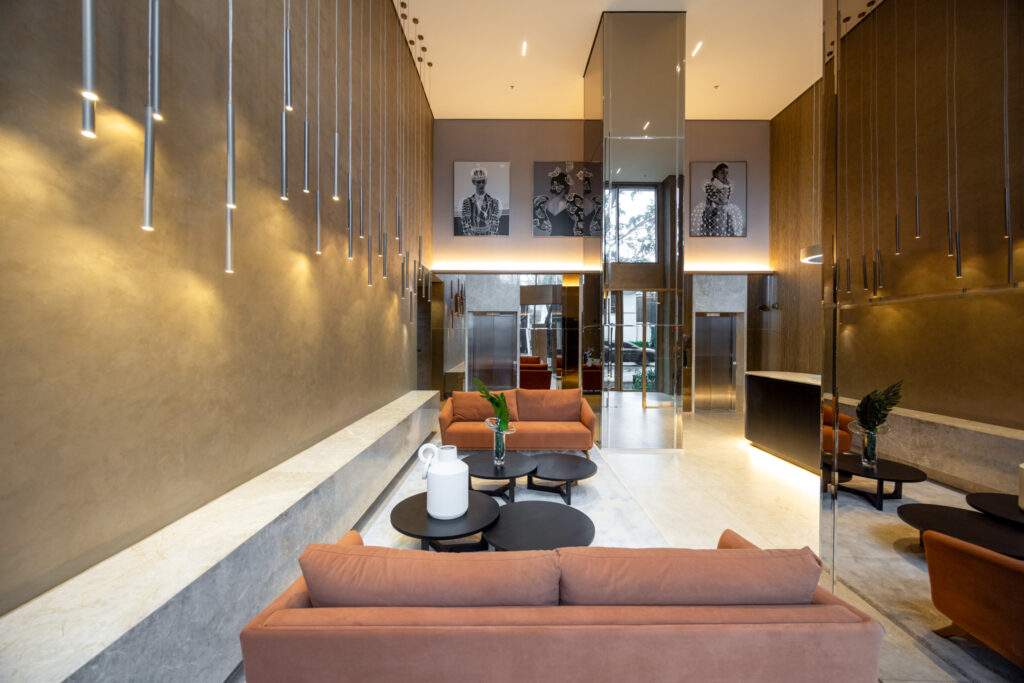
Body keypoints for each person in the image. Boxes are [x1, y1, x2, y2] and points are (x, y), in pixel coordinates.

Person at [691, 162, 744, 237]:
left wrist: (725, 187)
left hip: (723, 213)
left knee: (725, 229)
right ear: (716, 174)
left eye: (726, 173)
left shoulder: (727, 186)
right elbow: (719, 200)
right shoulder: (709, 186)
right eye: (722, 173)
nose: (725, 175)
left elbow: (725, 200)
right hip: (712, 214)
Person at [460, 167, 502, 235]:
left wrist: (489, 238)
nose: (481, 184)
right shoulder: (466, 202)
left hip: (488, 237)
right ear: (474, 182)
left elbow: (495, 224)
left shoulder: (494, 202)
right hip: (472, 237)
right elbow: (465, 224)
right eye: (478, 182)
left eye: (483, 181)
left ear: (486, 181)